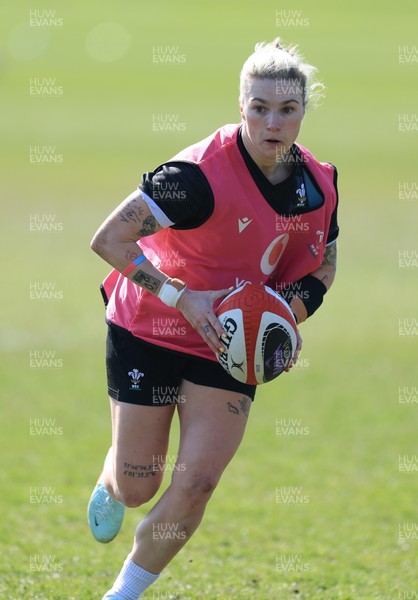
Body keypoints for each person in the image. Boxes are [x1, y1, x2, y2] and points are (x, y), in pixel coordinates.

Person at [88, 38, 339, 599]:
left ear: (304, 111)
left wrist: (284, 319)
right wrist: (183, 298)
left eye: (287, 110)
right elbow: (109, 240)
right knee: (137, 485)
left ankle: (122, 595)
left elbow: (322, 263)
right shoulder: (193, 176)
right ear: (240, 105)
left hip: (230, 344)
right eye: (259, 108)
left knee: (198, 482)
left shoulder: (317, 185)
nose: (273, 122)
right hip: (149, 326)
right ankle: (113, 474)